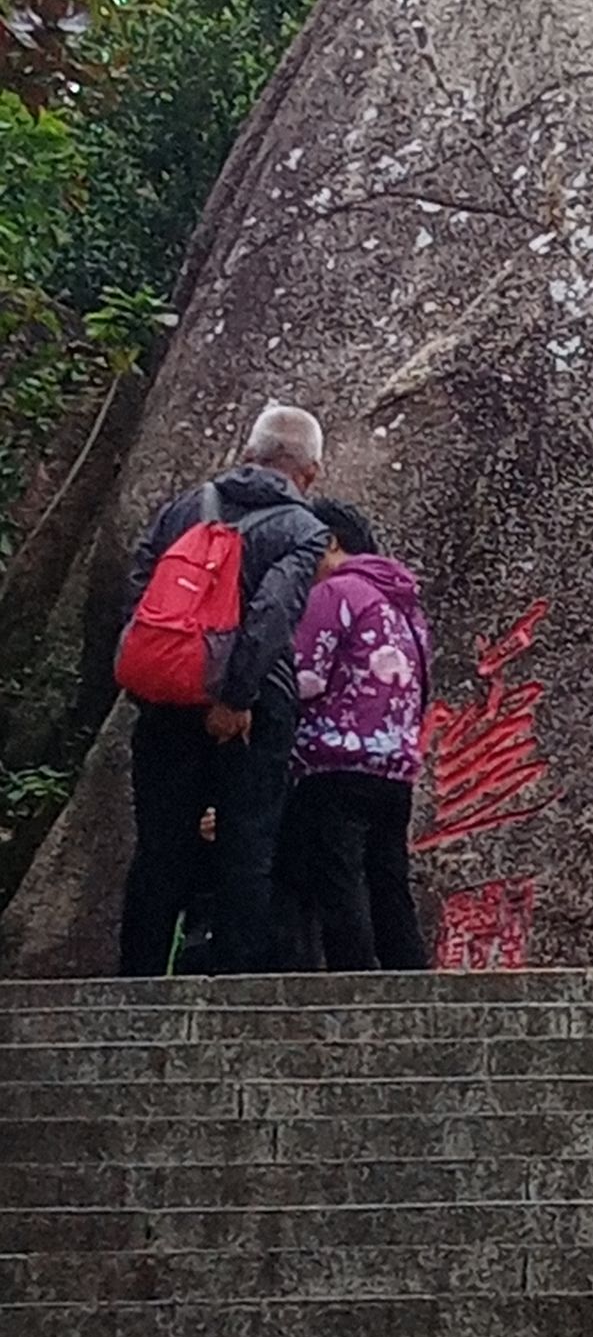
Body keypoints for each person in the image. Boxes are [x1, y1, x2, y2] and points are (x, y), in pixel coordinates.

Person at [118, 403, 330, 977]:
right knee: (246, 848)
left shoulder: (185, 508)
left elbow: (140, 593)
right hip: (253, 709)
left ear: (249, 454)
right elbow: (271, 615)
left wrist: (159, 682)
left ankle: (134, 986)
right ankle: (236, 991)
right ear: (308, 472)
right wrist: (235, 699)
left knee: (159, 847)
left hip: (165, 701)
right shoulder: (304, 529)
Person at [274, 498, 432, 972]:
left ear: (330, 541)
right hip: (395, 766)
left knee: (338, 881)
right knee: (388, 881)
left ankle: (353, 982)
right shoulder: (405, 607)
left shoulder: (336, 594)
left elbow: (305, 677)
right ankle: (412, 977)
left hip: (335, 762)